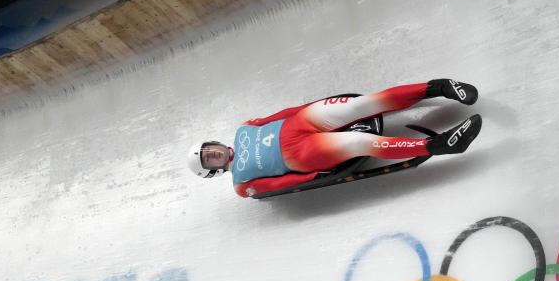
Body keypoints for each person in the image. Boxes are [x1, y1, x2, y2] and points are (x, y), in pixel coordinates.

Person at [187, 79, 482, 197]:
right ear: (211, 170)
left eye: (207, 148)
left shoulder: (244, 128)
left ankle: (439, 87)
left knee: (360, 105)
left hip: (301, 121)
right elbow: (278, 184)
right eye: (207, 158)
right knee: (357, 143)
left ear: (213, 143)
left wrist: (307, 108)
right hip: (302, 154)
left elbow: (279, 114)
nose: (211, 153)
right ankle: (439, 145)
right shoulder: (241, 184)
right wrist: (317, 175)